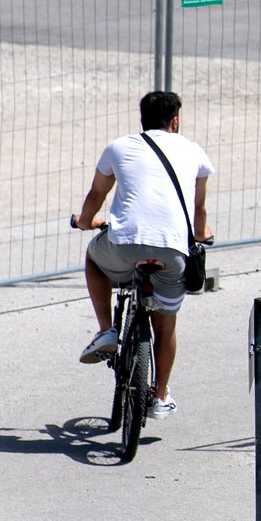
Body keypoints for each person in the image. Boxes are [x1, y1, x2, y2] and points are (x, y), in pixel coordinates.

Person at [69, 91, 214, 420]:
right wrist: (202, 235)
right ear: (175, 121)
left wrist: (84, 221)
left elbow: (97, 193)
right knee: (166, 323)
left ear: (142, 121)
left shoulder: (118, 146)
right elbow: (199, 208)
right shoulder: (194, 152)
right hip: (173, 250)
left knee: (94, 259)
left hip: (125, 244)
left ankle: (107, 329)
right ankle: (160, 395)